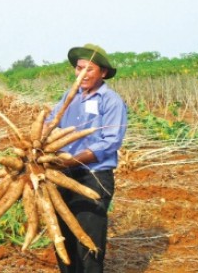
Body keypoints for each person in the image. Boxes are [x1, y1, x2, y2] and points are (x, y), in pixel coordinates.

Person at [46, 43, 127, 273]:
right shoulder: (68, 97)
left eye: (88, 69)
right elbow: (51, 122)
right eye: (78, 68)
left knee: (89, 239)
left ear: (102, 72)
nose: (81, 74)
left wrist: (73, 160)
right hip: (62, 174)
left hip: (94, 176)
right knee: (62, 236)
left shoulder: (111, 101)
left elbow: (111, 141)